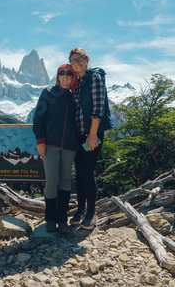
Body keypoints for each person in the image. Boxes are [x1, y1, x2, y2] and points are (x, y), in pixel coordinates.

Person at [68, 47, 112, 230]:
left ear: (87, 59)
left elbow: (98, 107)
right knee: (79, 173)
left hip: (91, 134)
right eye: (73, 61)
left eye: (80, 59)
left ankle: (92, 212)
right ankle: (80, 210)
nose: (77, 63)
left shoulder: (94, 77)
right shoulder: (79, 82)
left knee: (87, 172)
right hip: (79, 135)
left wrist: (93, 134)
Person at [32, 63, 78, 234]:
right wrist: (40, 139)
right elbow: (38, 118)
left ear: (73, 77)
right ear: (57, 76)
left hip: (69, 146)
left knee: (65, 181)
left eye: (69, 73)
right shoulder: (48, 93)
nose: (65, 75)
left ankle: (62, 219)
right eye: (62, 73)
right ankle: (50, 218)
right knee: (52, 181)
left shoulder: (74, 97)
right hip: (50, 144)